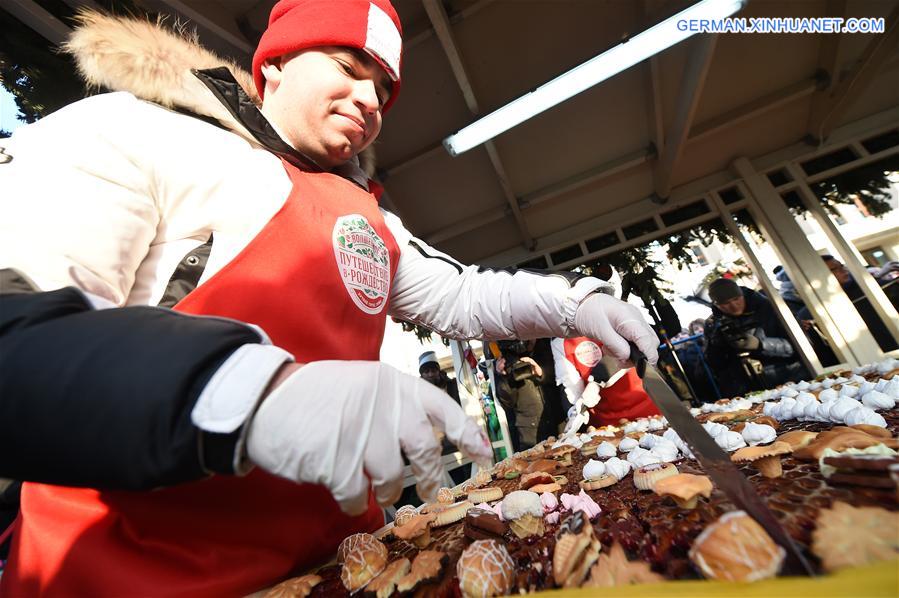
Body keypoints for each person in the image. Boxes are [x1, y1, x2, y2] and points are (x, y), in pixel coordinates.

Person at [0, 2, 660, 594]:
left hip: (336, 566)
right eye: (348, 66)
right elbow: (16, 329)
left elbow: (457, 295)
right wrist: (250, 393)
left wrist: (573, 306)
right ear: (275, 66)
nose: (369, 98)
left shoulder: (362, 210)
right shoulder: (132, 130)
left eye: (384, 89)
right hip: (131, 574)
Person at [703, 277, 806, 398]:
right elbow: (714, 364)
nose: (734, 305)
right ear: (716, 304)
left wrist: (761, 345)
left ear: (742, 294)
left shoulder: (771, 308)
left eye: (736, 299)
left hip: (789, 379)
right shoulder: (713, 324)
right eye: (726, 303)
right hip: (748, 390)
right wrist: (717, 345)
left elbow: (803, 345)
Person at [551, 336, 660, 429]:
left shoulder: (612, 314)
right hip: (606, 423)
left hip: (647, 409)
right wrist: (573, 410)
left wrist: (595, 383)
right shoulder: (559, 340)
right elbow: (567, 380)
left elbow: (626, 350)